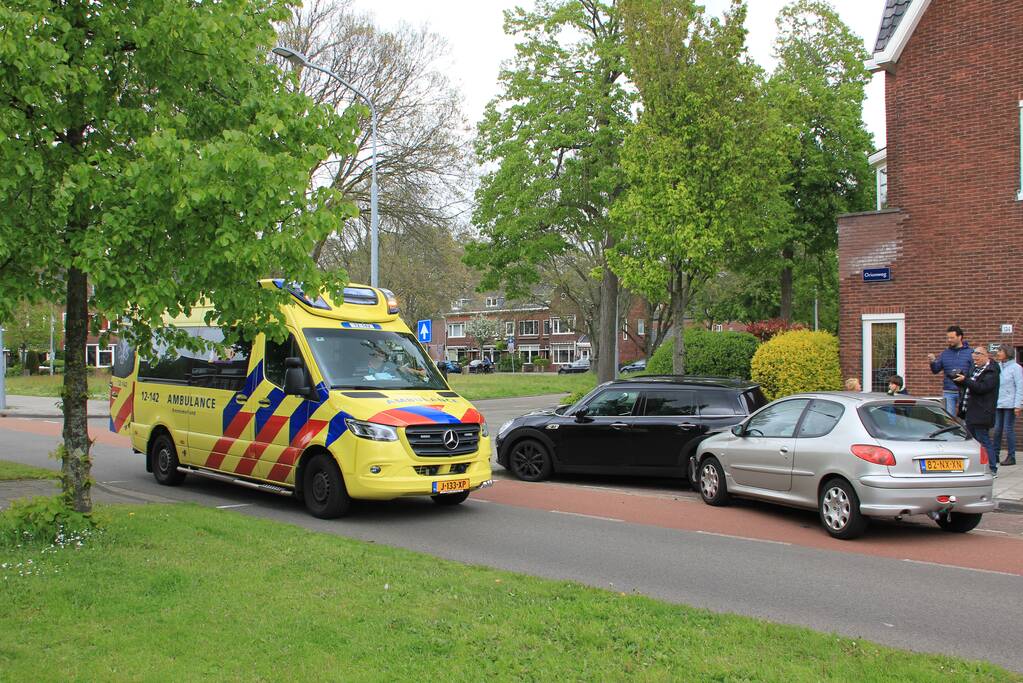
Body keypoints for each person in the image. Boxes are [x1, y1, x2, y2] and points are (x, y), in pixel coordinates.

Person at [952, 345, 1000, 476]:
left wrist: (965, 380)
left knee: (983, 440)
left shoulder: (992, 371)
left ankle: (992, 468)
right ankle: (977, 467)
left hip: (982, 412)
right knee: (972, 442)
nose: (975, 361)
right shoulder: (975, 368)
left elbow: (981, 388)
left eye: (977, 358)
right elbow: (968, 385)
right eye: (974, 358)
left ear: (985, 356)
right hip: (970, 411)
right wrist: (959, 380)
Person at [928, 325, 974, 416]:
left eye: (952, 338)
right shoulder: (945, 353)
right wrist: (933, 362)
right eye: (948, 338)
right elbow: (936, 370)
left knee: (966, 418)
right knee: (949, 419)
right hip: (948, 391)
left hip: (965, 390)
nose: (949, 340)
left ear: (960, 337)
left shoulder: (970, 352)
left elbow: (974, 371)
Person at [992, 344, 1022, 466]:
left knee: (1008, 429)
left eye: (1000, 351)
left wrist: (1018, 405)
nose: (997, 353)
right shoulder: (998, 366)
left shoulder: (1016, 368)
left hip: (1010, 404)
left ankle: (1011, 456)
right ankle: (995, 455)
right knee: (997, 429)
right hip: (998, 403)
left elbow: (1020, 387)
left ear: (1007, 353)